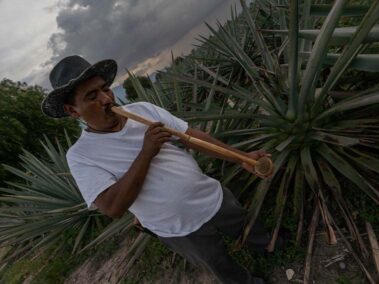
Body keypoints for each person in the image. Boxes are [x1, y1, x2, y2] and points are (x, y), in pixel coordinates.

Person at [42, 55, 275, 284]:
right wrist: (146, 152)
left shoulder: (143, 110)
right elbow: (112, 207)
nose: (106, 99)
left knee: (246, 225)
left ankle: (270, 244)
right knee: (216, 262)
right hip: (176, 228)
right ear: (73, 110)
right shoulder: (81, 156)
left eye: (105, 89)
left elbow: (190, 137)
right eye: (92, 96)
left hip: (209, 196)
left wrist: (242, 157)